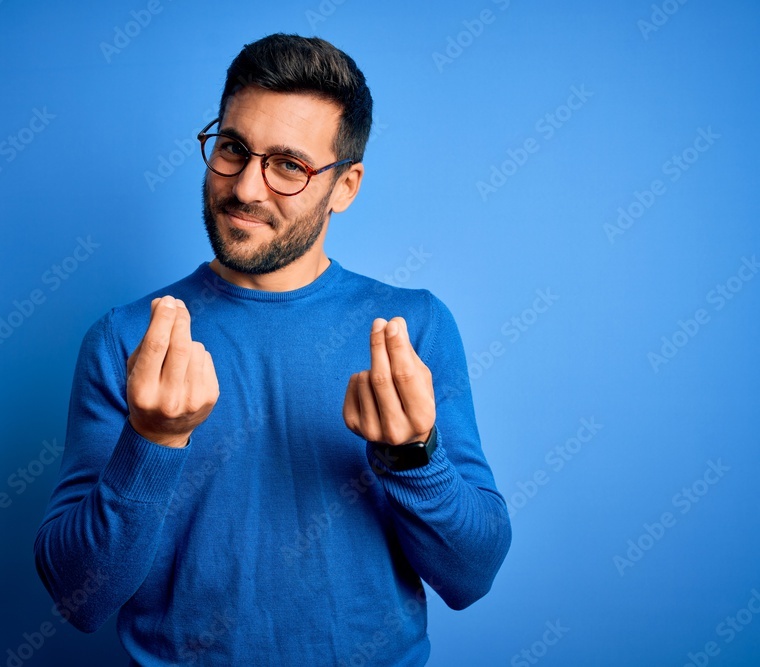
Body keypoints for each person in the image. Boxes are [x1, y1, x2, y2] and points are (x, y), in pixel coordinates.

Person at [34, 33, 511, 666]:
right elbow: (77, 598)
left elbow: (471, 576)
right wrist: (151, 440)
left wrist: (413, 459)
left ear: (345, 187)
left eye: (288, 165)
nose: (247, 188)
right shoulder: (127, 338)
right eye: (233, 149)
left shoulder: (413, 329)